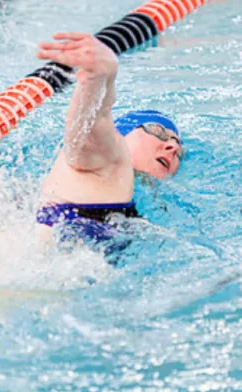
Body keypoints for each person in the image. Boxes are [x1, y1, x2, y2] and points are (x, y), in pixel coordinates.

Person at [34, 32, 184, 245]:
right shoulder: (110, 157)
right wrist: (100, 76)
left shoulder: (126, 198)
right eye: (158, 131)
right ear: (123, 133)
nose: (171, 146)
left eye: (178, 151)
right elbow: (93, 120)